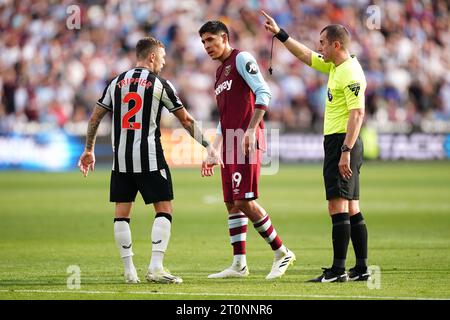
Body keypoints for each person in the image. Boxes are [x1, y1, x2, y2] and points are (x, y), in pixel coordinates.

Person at [78, 36, 217, 284]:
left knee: (122, 213)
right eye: (162, 57)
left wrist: (89, 149)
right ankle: (155, 268)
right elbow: (185, 120)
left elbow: (94, 119)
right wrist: (208, 146)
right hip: (150, 157)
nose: (163, 63)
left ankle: (129, 270)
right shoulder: (160, 84)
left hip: (120, 159)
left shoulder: (116, 82)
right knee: (164, 209)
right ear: (152, 56)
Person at [262, 10, 370, 283]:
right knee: (352, 206)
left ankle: (337, 271)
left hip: (342, 141)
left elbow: (357, 114)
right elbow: (305, 55)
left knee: (337, 206)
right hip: (342, 141)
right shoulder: (336, 66)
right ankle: (361, 267)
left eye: (322, 42)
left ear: (336, 44)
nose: (318, 46)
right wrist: (280, 34)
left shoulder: (350, 72)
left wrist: (345, 151)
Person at [199, 20, 296, 280]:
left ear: (224, 37)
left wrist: (251, 130)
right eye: (203, 42)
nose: (207, 46)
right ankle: (239, 264)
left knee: (244, 200)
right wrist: (213, 149)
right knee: (232, 203)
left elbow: (264, 92)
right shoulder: (219, 73)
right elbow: (224, 116)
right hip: (229, 141)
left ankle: (282, 251)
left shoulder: (242, 59)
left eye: (210, 40)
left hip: (245, 138)